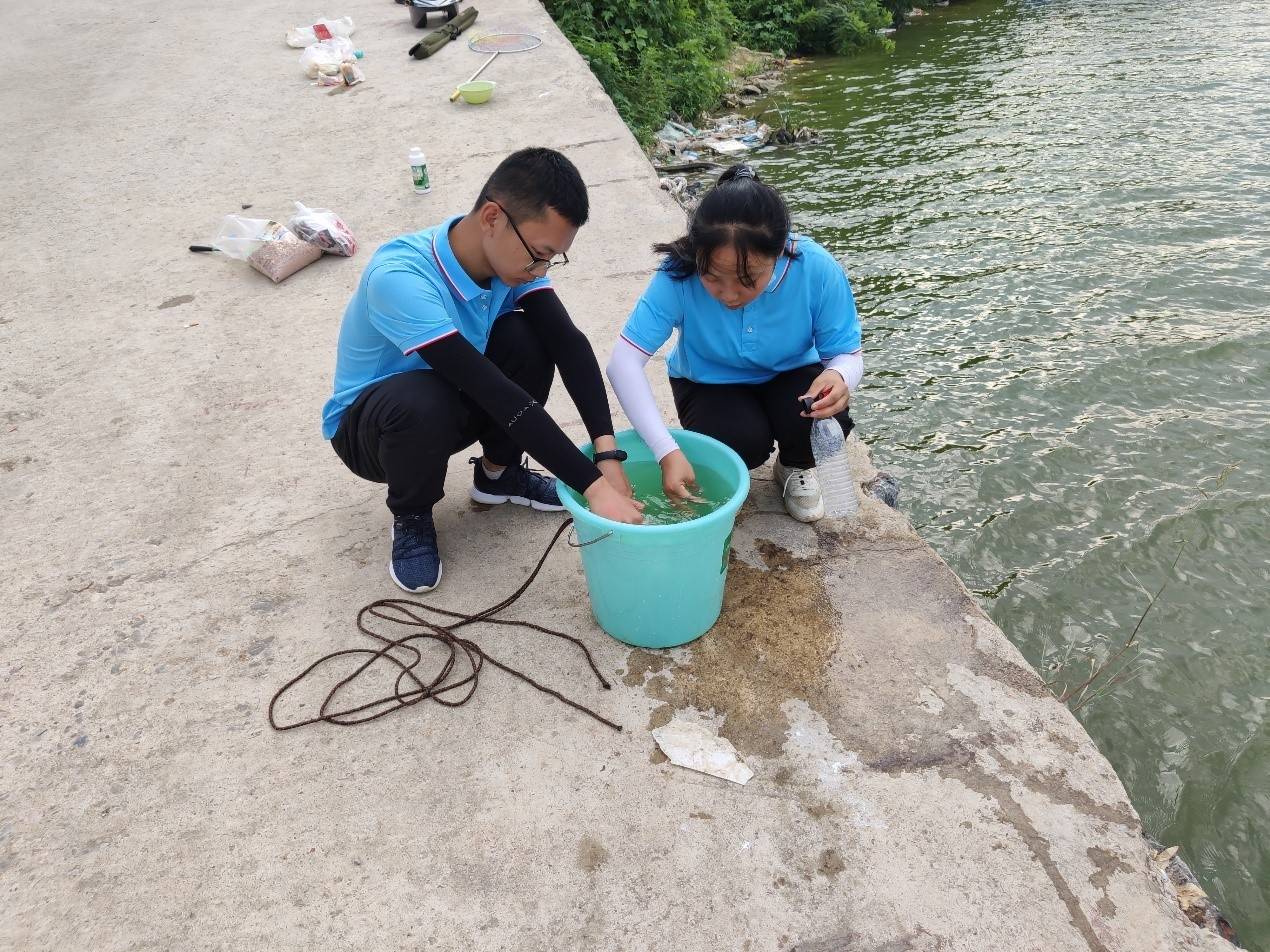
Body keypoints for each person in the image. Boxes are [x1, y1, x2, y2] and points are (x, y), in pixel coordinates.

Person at [322, 147, 643, 594]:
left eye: (553, 259)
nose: (541, 270)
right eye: (539, 255)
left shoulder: (507, 258)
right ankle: (411, 514)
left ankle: (499, 474)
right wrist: (594, 488)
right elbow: (491, 391)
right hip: (373, 431)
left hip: (451, 400)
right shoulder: (400, 278)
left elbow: (569, 345)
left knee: (528, 337)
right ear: (493, 217)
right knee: (422, 400)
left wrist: (606, 455)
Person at [606, 164, 863, 523]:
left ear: (777, 253)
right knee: (735, 443)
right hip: (709, 383)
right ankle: (741, 456)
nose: (729, 295)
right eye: (712, 278)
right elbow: (623, 363)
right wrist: (666, 450)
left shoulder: (816, 268)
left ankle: (794, 466)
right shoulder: (678, 272)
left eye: (747, 279)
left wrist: (840, 376)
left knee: (818, 413)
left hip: (791, 374)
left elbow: (847, 355)